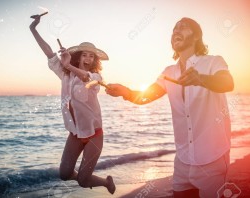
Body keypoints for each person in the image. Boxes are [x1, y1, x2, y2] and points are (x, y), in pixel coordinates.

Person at [106, 17, 234, 197]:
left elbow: (227, 83)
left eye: (183, 27)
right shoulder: (168, 73)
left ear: (196, 36)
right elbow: (144, 97)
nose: (176, 31)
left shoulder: (213, 62)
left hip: (213, 158)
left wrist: (200, 79)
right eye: (174, 29)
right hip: (182, 160)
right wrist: (124, 92)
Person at [29, 15, 116, 194]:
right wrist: (33, 29)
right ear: (78, 56)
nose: (88, 59)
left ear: (95, 61)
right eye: (84, 54)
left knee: (84, 182)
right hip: (75, 133)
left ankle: (105, 182)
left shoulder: (96, 78)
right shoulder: (66, 75)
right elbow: (49, 53)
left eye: (91, 56)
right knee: (64, 174)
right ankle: (85, 176)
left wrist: (68, 65)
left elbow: (85, 78)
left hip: (94, 135)